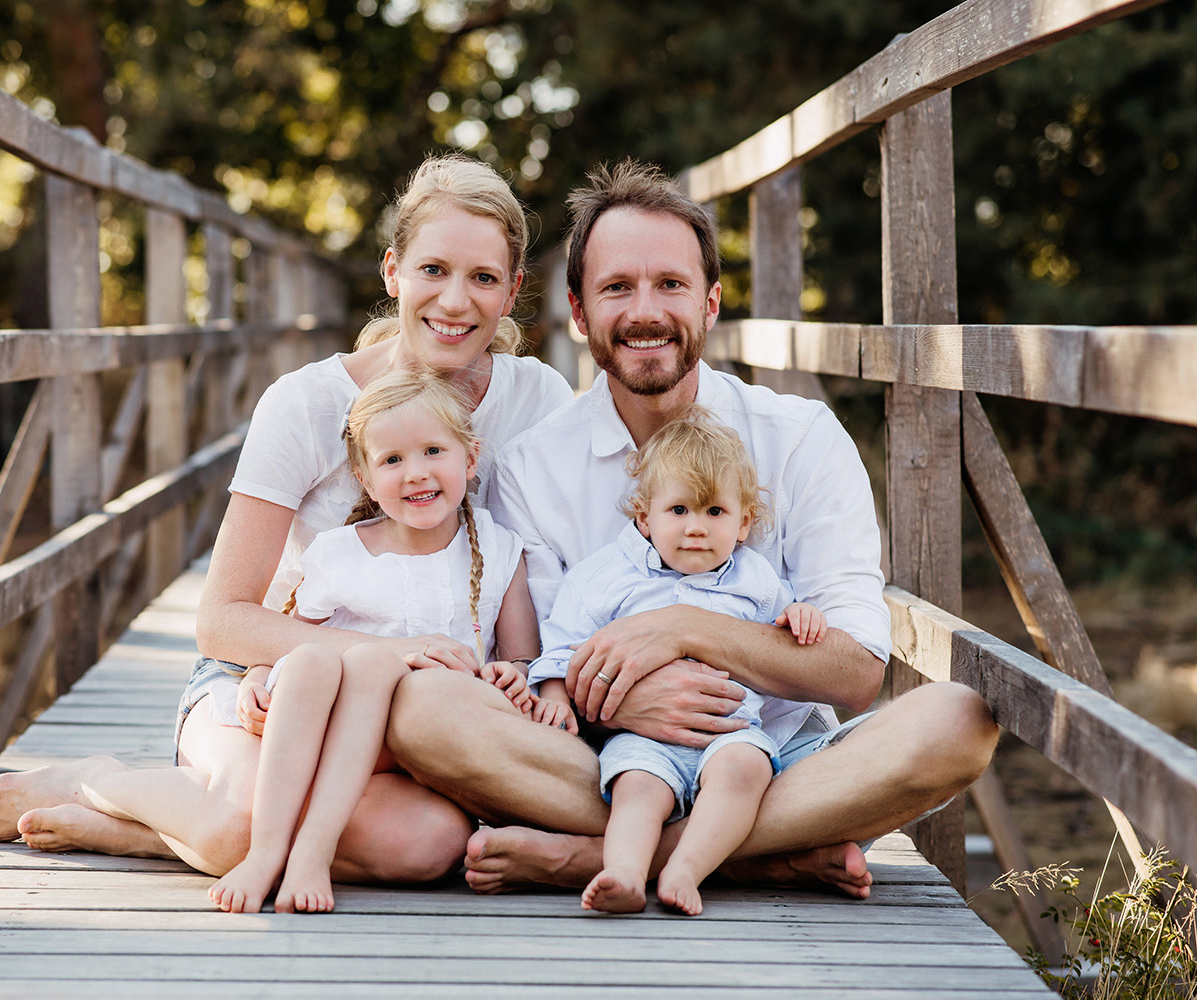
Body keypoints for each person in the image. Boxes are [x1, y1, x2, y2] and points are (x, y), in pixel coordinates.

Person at [0, 154, 573, 889]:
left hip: (409, 708)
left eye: (483, 278)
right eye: (432, 269)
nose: (455, 300)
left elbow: (564, 561)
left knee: (426, 844)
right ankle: (101, 783)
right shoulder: (306, 404)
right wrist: (385, 650)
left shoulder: (539, 399)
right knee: (241, 824)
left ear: (512, 294)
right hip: (272, 678)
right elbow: (222, 621)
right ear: (392, 273)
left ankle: (161, 834)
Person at [384, 159, 998, 898]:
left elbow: (857, 670)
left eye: (670, 285)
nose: (646, 311)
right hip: (602, 764)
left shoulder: (798, 436)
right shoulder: (531, 466)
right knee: (423, 711)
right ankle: (750, 854)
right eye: (617, 288)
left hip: (772, 756)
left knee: (957, 720)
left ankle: (596, 858)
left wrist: (685, 629)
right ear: (579, 314)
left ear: (710, 302)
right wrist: (621, 701)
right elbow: (542, 663)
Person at [209, 369, 538, 914]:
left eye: (434, 450)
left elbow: (521, 653)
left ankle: (310, 848)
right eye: (391, 460)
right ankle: (271, 852)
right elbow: (295, 635)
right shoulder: (340, 553)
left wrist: (518, 674)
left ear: (470, 458)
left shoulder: (501, 551)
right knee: (325, 663)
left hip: (417, 740)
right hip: (333, 723)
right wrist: (259, 676)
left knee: (373, 669)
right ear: (364, 476)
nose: (416, 473)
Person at [529, 406, 830, 915]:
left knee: (745, 772)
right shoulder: (605, 578)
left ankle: (685, 868)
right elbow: (562, 648)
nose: (696, 528)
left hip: (730, 734)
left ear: (743, 523)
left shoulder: (753, 579)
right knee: (637, 789)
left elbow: (781, 635)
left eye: (715, 512)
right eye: (679, 511)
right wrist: (556, 695)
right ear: (644, 517)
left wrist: (800, 614)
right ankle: (623, 871)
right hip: (643, 739)